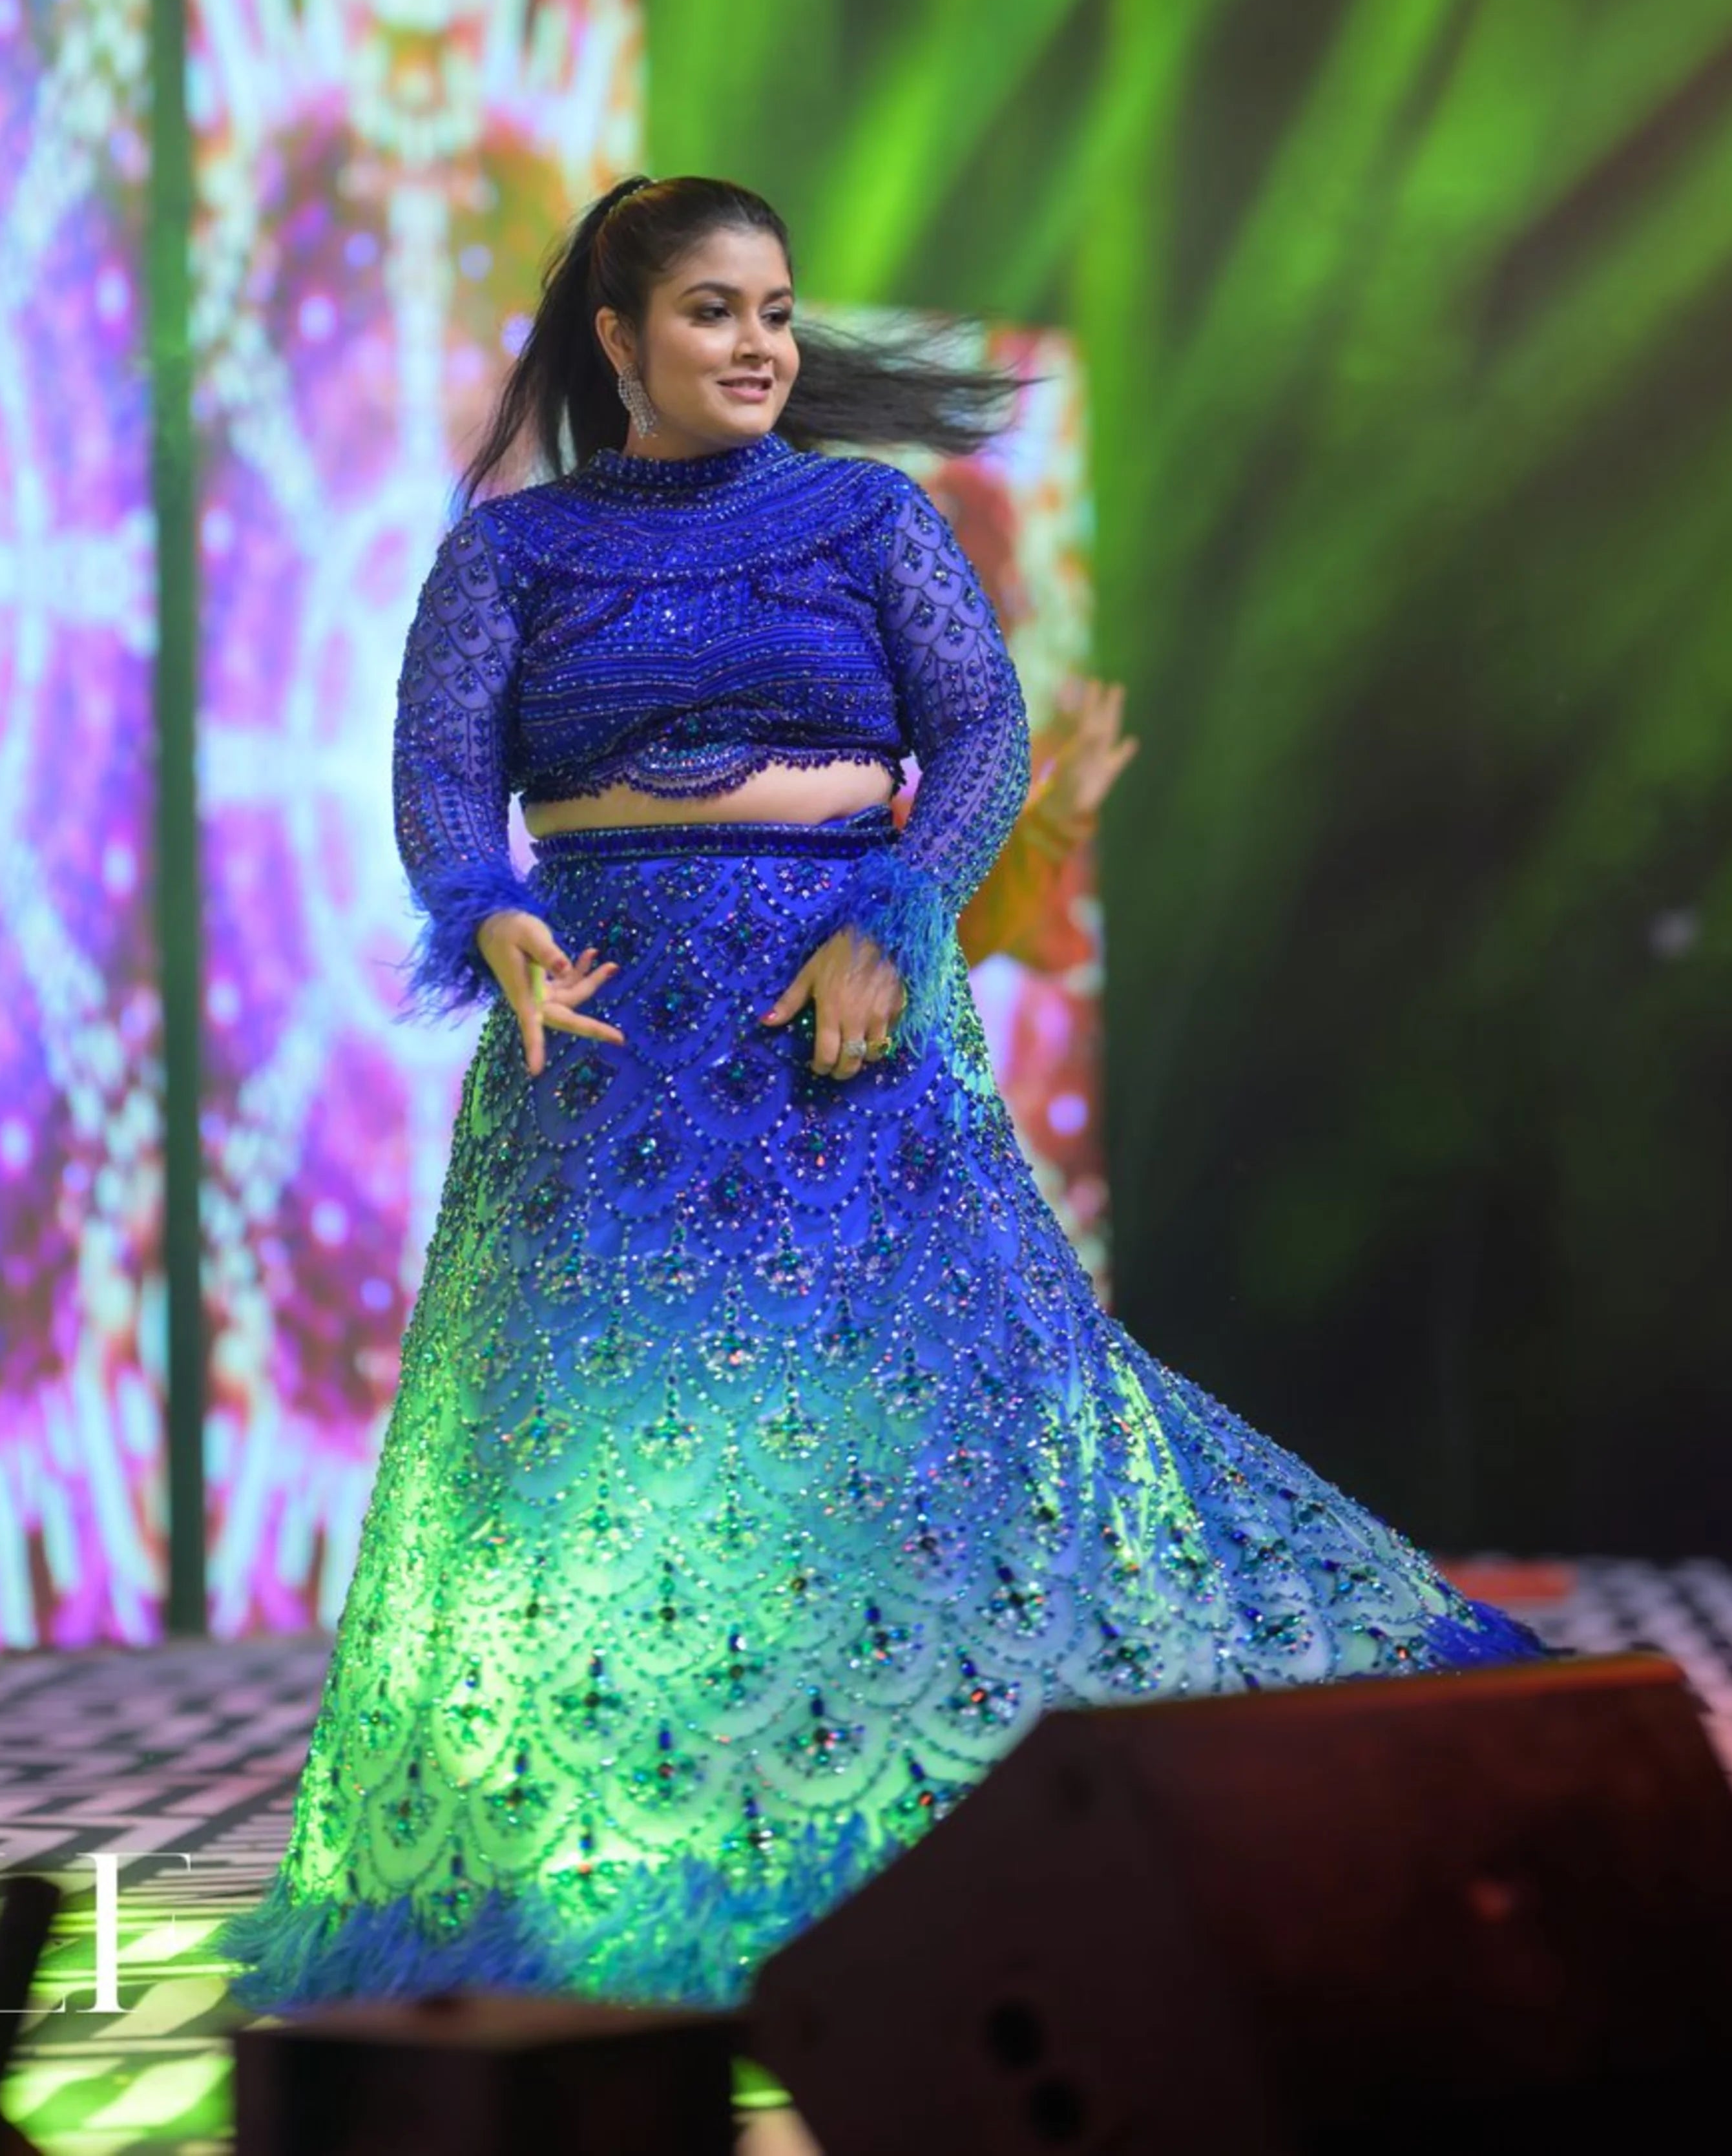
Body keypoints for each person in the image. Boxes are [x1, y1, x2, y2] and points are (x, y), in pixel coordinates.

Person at [220, 172, 1548, 2016]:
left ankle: (1026, 1838)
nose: (759, 344)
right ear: (618, 344)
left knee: (962, 1416)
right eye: (712, 312)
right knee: (610, 1470)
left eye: (775, 309)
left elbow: (980, 732)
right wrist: (492, 922)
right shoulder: (509, 553)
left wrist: (897, 920)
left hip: (835, 1013)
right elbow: (445, 774)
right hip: (600, 1048)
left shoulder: (865, 515)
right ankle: (653, 1866)